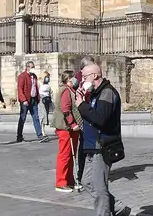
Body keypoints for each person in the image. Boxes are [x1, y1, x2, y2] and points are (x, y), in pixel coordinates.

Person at [77, 62, 131, 216]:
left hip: (102, 146)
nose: (82, 81)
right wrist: (82, 101)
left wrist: (81, 105)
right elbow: (90, 116)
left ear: (95, 76)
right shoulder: (94, 94)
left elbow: (99, 118)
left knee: (100, 189)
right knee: (86, 182)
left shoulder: (107, 93)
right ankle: (120, 209)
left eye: (85, 77)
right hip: (91, 146)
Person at [54, 70, 81, 192]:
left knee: (71, 154)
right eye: (74, 77)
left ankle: (70, 180)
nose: (76, 79)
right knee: (65, 155)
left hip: (71, 128)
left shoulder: (71, 90)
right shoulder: (65, 90)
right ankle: (61, 182)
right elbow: (66, 109)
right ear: (69, 79)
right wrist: (73, 123)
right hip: (66, 127)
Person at [76, 55, 96, 189]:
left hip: (90, 113)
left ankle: (90, 173)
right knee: (83, 146)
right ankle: (80, 174)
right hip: (82, 114)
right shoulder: (78, 78)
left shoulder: (91, 77)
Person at [16, 61, 49, 143]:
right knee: (22, 118)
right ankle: (19, 136)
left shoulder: (34, 76)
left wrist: (38, 98)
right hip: (26, 100)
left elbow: (35, 87)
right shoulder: (22, 76)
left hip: (33, 99)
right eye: (32, 67)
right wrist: (23, 100)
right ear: (27, 67)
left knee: (36, 118)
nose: (33, 68)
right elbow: (20, 89)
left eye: (34, 67)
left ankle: (40, 136)